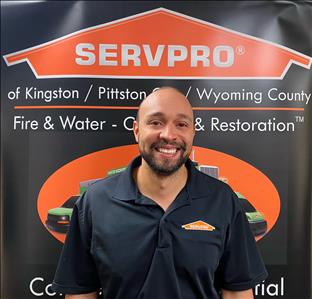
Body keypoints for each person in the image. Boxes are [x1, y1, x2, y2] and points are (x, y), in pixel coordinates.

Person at [52, 87, 267, 299]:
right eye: (156, 122)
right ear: (137, 130)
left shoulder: (222, 200)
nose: (168, 135)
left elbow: (237, 292)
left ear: (192, 133)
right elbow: (80, 294)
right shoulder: (95, 202)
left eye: (181, 124)